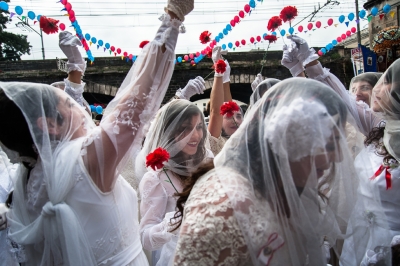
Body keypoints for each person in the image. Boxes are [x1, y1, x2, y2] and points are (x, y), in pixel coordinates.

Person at [0, 2, 194, 264]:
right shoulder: (83, 162)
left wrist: (75, 71)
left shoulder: (28, 183)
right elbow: (137, 101)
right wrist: (173, 17)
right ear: (49, 126)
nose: (81, 111)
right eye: (69, 104)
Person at [173, 78, 357, 265]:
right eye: (329, 143)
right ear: (291, 137)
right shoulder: (222, 209)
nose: (338, 157)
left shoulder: (294, 191)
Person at [286, 36, 400, 265]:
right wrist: (306, 62)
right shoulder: (378, 126)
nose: (380, 88)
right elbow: (341, 100)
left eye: (389, 82)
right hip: (358, 237)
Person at [136, 99, 212, 266]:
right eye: (186, 128)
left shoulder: (206, 161)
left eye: (199, 126)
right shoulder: (156, 178)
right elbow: (146, 238)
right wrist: (171, 224)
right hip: (179, 256)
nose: (196, 135)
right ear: (169, 132)